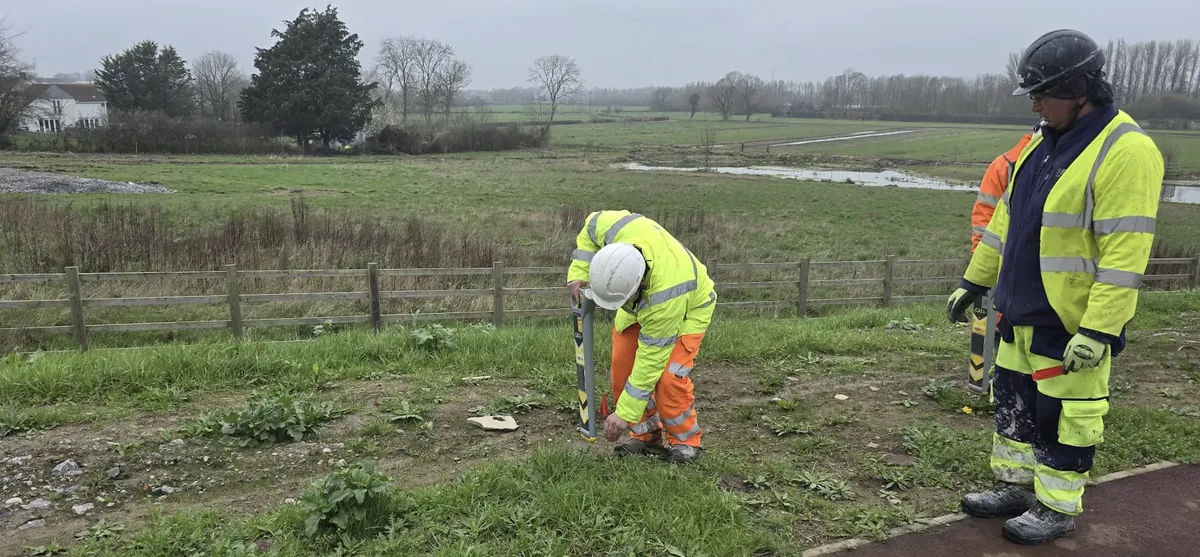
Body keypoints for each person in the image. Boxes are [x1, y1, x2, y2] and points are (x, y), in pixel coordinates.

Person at [946, 29, 1163, 546]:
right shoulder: (1041, 145)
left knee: (1066, 418)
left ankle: (1056, 507)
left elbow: (1125, 256)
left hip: (1071, 323)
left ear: (1082, 88)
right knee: (1015, 407)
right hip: (1021, 311)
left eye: (1045, 93)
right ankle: (1015, 488)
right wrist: (973, 281)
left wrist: (1099, 330)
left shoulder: (1125, 151)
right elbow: (1005, 223)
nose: (1037, 103)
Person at [567, 210, 717, 464]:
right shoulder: (614, 228)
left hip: (689, 308)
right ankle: (647, 436)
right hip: (640, 307)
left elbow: (650, 362)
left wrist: (623, 413)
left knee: (669, 377)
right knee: (622, 368)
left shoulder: (665, 297)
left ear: (636, 286)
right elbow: (590, 229)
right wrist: (579, 271)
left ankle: (684, 442)